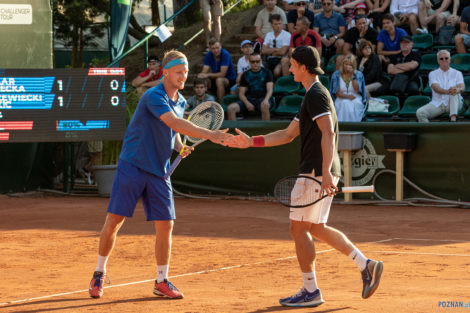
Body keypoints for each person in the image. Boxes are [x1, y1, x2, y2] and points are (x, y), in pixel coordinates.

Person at [225, 45, 383, 308]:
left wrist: (323, 174)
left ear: (303, 67)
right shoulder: (311, 95)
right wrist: (251, 141)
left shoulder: (316, 95)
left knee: (298, 228)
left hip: (314, 172)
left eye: (293, 64)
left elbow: (329, 133)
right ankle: (366, 265)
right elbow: (287, 134)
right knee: (315, 228)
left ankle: (310, 290)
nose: (289, 69)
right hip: (320, 171)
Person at [88, 50, 232, 300]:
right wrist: (212, 135)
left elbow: (173, 132)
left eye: (185, 72)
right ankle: (99, 273)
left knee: (166, 225)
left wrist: (179, 146)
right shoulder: (153, 96)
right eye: (179, 72)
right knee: (114, 221)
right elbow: (175, 123)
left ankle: (161, 280)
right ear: (165, 73)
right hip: (133, 166)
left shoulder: (182, 102)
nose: (183, 77)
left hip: (159, 172)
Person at [416, 50, 465, 122]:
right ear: (438, 61)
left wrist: (458, 90)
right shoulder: (432, 73)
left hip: (453, 104)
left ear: (450, 59)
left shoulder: (457, 73)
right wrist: (449, 91)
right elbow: (436, 88)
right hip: (438, 104)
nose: (444, 60)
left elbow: (462, 87)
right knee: (420, 112)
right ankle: (430, 132)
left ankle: (453, 119)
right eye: (441, 59)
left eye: (446, 58)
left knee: (454, 91)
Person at [227, 52, 274, 121]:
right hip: (249, 99)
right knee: (230, 108)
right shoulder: (245, 74)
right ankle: (234, 131)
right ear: (249, 62)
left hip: (263, 98)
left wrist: (266, 100)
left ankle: (266, 131)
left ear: (261, 61)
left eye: (257, 61)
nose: (255, 63)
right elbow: (241, 93)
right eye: (252, 62)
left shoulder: (267, 72)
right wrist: (247, 103)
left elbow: (270, 90)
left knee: (264, 106)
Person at [330, 54, 367, 121]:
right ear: (343, 64)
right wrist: (348, 97)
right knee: (345, 103)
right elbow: (336, 93)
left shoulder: (358, 74)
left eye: (350, 65)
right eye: (346, 64)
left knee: (351, 104)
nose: (347, 66)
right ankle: (342, 128)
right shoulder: (336, 74)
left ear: (354, 66)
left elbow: (357, 90)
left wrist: (352, 76)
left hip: (356, 96)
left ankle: (354, 129)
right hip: (341, 97)